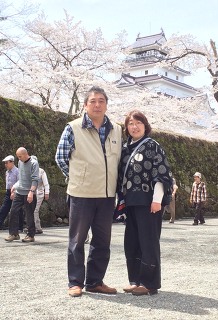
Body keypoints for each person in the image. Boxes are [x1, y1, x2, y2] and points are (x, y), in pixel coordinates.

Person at [55, 86, 122, 297]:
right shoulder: (73, 128)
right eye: (93, 101)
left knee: (102, 241)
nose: (97, 105)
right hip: (81, 194)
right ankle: (75, 282)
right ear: (85, 105)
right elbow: (60, 157)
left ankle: (95, 281)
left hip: (106, 195)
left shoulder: (117, 130)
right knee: (77, 239)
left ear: (106, 105)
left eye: (101, 101)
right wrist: (77, 177)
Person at [118, 110, 173, 296]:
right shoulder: (126, 148)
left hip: (149, 201)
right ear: (126, 128)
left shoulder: (152, 146)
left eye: (138, 123)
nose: (134, 126)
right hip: (130, 202)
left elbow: (161, 173)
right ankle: (135, 280)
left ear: (145, 125)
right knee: (132, 241)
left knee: (148, 241)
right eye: (130, 123)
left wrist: (157, 199)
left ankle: (150, 283)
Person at [5, 147, 39, 243]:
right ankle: (14, 234)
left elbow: (35, 180)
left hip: (29, 193)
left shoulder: (34, 163)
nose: (18, 158)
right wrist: (15, 186)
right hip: (20, 192)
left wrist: (31, 192)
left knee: (29, 215)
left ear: (25, 154)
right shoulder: (20, 162)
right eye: (18, 157)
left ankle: (30, 235)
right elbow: (21, 178)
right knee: (13, 211)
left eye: (20, 156)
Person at [0, 155, 24, 231]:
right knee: (4, 208)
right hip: (8, 192)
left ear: (12, 162)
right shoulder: (7, 172)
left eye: (7, 163)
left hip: (16, 191)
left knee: (18, 209)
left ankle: (20, 227)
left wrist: (15, 192)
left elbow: (19, 182)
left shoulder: (17, 171)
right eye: (5, 163)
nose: (5, 164)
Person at [33, 168, 50, 234]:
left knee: (35, 210)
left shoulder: (41, 171)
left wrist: (47, 192)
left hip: (39, 193)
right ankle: (32, 226)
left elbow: (46, 183)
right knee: (31, 210)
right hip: (31, 193)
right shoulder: (29, 170)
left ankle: (37, 228)